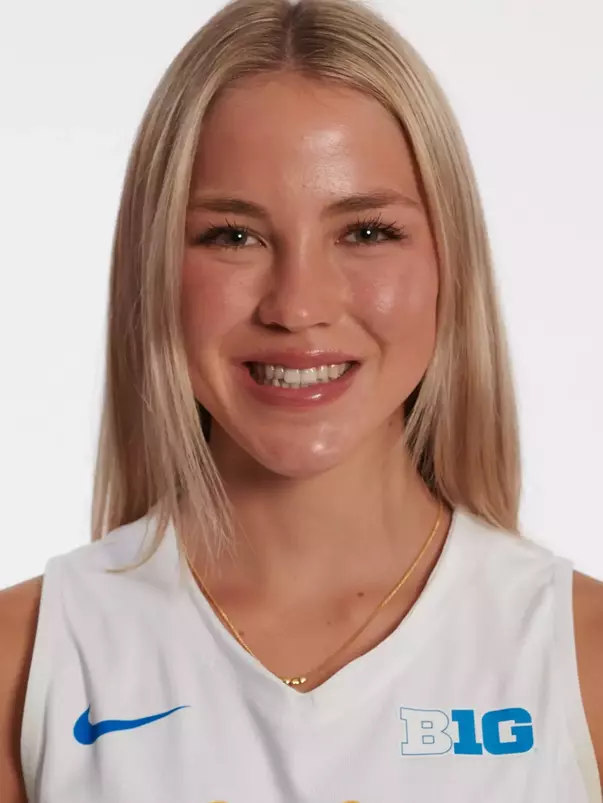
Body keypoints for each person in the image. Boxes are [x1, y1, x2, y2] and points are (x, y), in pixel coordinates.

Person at [1, 0, 602, 800]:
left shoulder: (580, 659)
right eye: (233, 235)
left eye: (364, 232)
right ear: (155, 270)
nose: (297, 305)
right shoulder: (27, 659)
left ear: (446, 263)